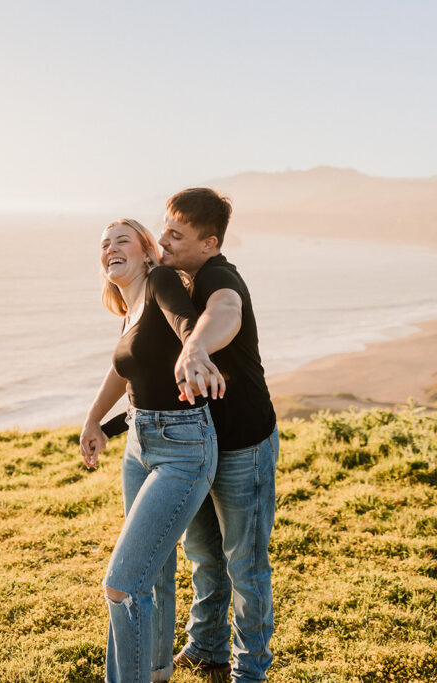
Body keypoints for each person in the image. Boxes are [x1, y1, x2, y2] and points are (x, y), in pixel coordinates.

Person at [79, 218, 225, 683]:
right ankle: (157, 671)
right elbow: (126, 373)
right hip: (139, 445)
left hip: (183, 449)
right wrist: (96, 423)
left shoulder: (160, 282)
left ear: (147, 252)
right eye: (104, 244)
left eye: (122, 240)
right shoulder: (129, 308)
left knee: (122, 586)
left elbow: (186, 320)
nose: (110, 248)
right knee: (154, 575)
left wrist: (195, 348)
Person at [161, 188, 279, 682]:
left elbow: (225, 312)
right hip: (200, 445)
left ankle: (249, 670)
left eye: (176, 235)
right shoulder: (180, 277)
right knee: (204, 554)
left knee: (245, 566)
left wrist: (195, 349)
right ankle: (206, 645)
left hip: (244, 445)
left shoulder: (218, 275)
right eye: (164, 228)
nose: (163, 241)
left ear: (209, 243)